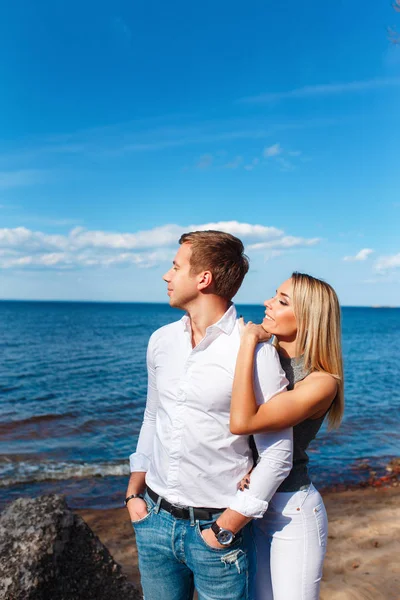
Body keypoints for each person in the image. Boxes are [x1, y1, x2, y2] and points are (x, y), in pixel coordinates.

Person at [125, 230, 293, 600]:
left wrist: (228, 525)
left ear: (204, 279)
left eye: (175, 266)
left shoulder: (254, 352)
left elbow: (278, 453)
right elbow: (153, 415)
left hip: (217, 532)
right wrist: (134, 492)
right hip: (152, 519)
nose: (166, 276)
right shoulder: (161, 341)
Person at [230, 272, 344, 600]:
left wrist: (249, 342)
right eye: (273, 295)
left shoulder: (322, 382)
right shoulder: (268, 360)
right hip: (253, 504)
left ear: (309, 318)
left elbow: (243, 421)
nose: (268, 303)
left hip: (292, 510)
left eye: (282, 301)